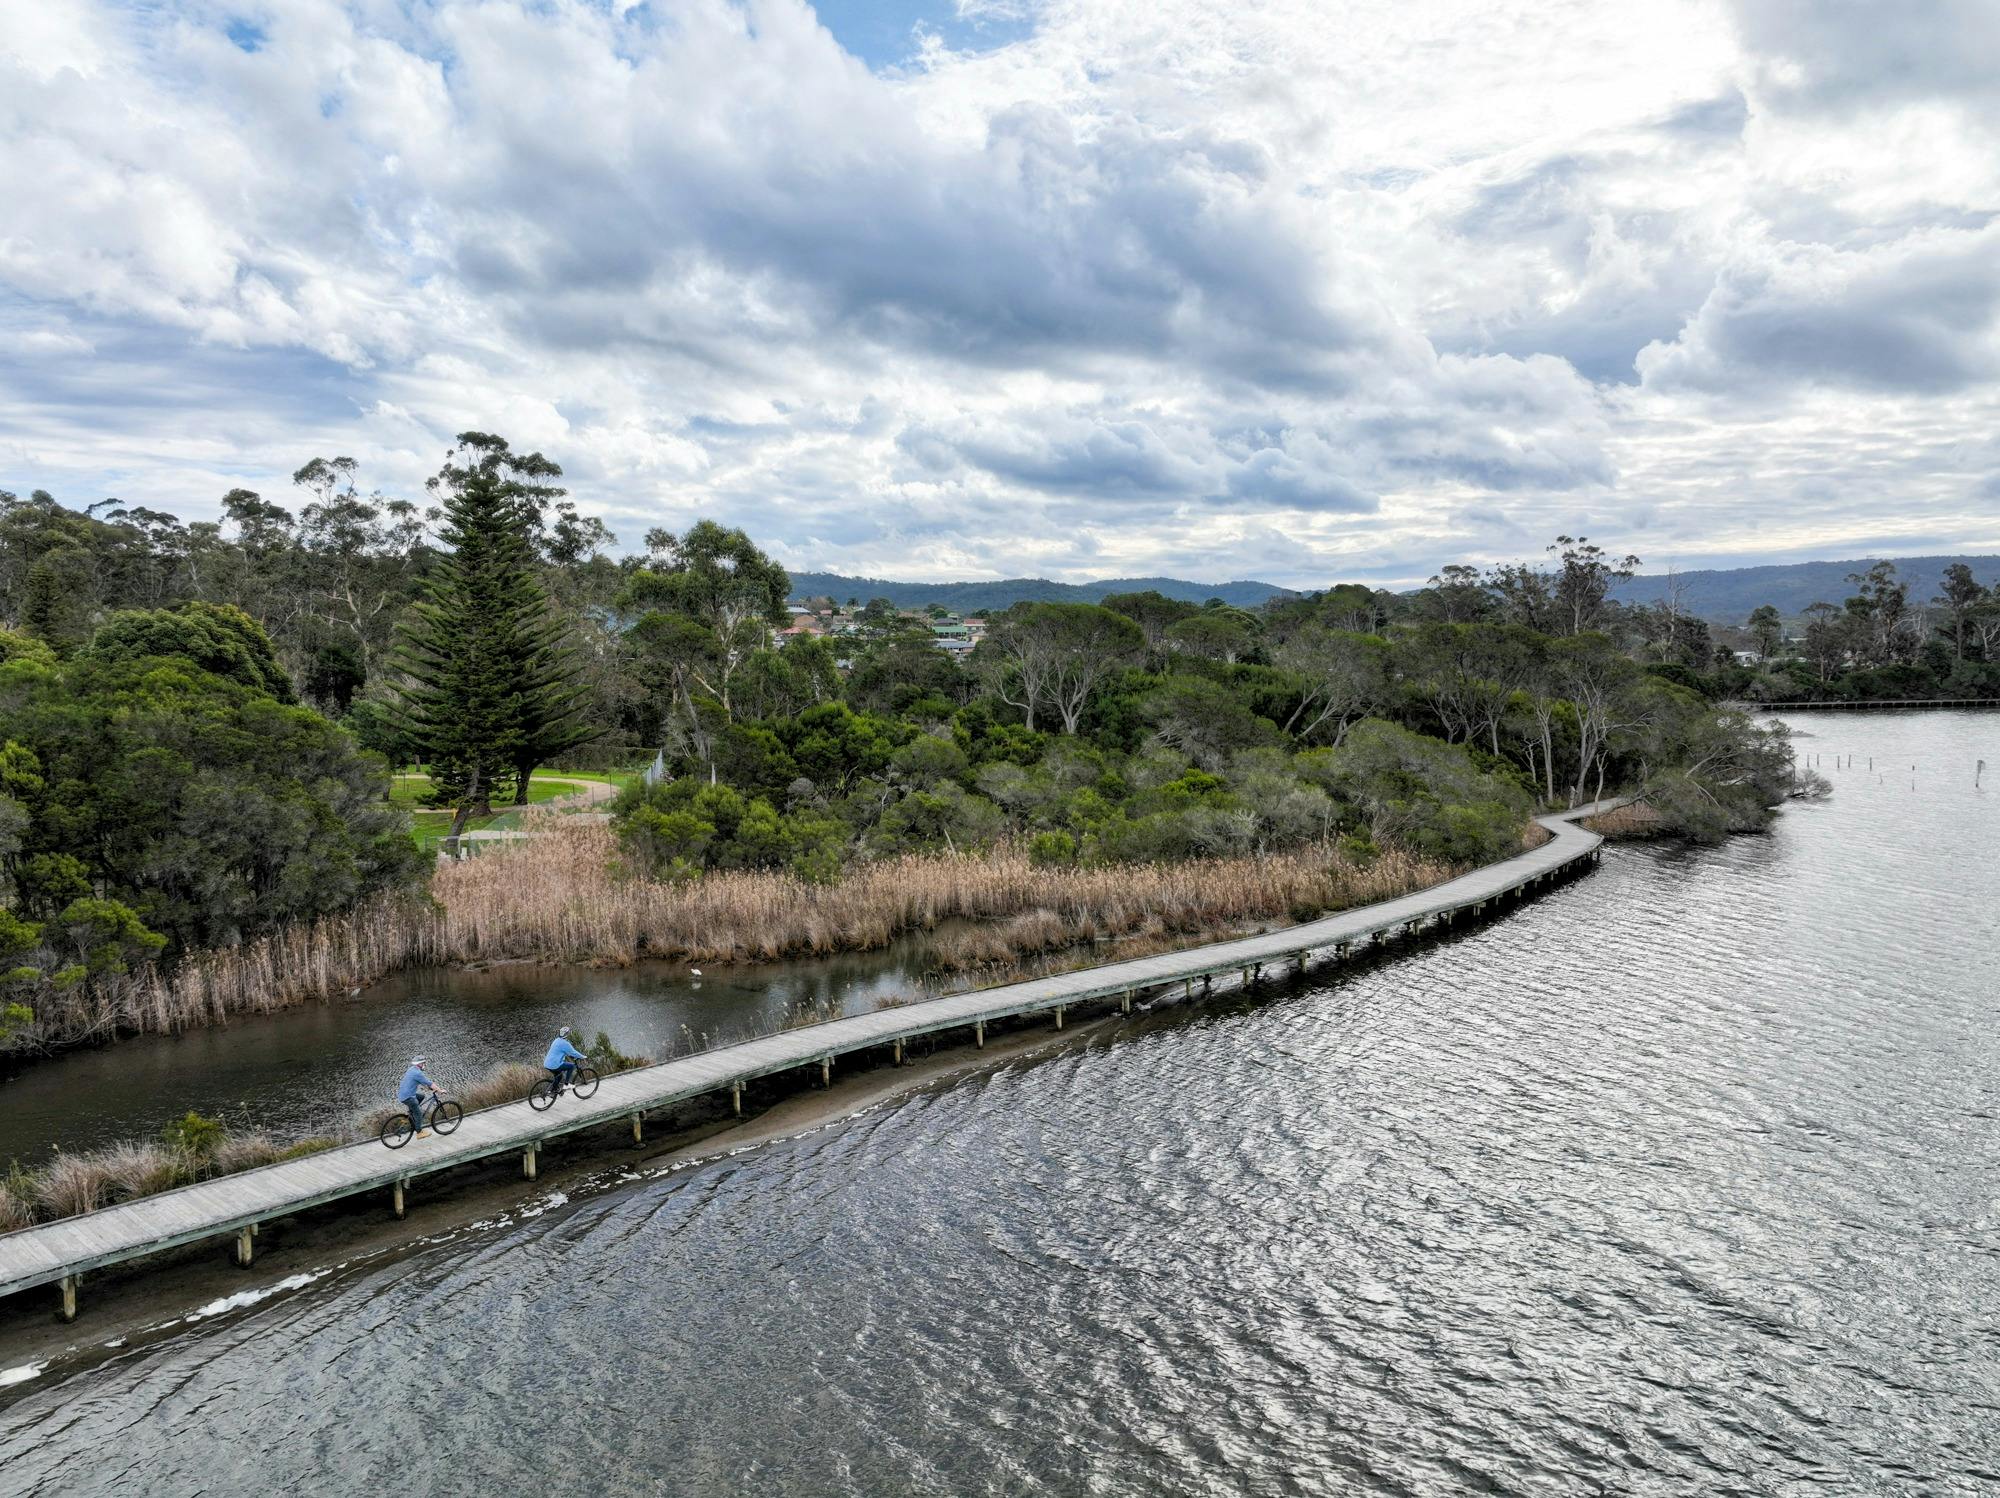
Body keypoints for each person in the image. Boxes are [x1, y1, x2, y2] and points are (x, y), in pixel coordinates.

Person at [398, 1055, 437, 1139]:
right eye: (424, 1063)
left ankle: (412, 1113)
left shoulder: (411, 1069)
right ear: (419, 1064)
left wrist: (429, 1087)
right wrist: (440, 1090)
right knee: (419, 1113)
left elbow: (422, 1082)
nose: (425, 1065)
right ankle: (419, 1132)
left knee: (421, 1096)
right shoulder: (418, 1073)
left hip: (402, 1094)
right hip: (408, 1097)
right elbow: (429, 1083)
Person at [544, 1027, 586, 1095]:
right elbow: (573, 1053)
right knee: (571, 1066)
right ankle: (566, 1084)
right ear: (567, 1034)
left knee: (559, 1076)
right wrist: (582, 1056)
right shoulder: (565, 1044)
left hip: (547, 1063)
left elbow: (560, 1052)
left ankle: (553, 1091)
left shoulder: (556, 1040)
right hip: (555, 1064)